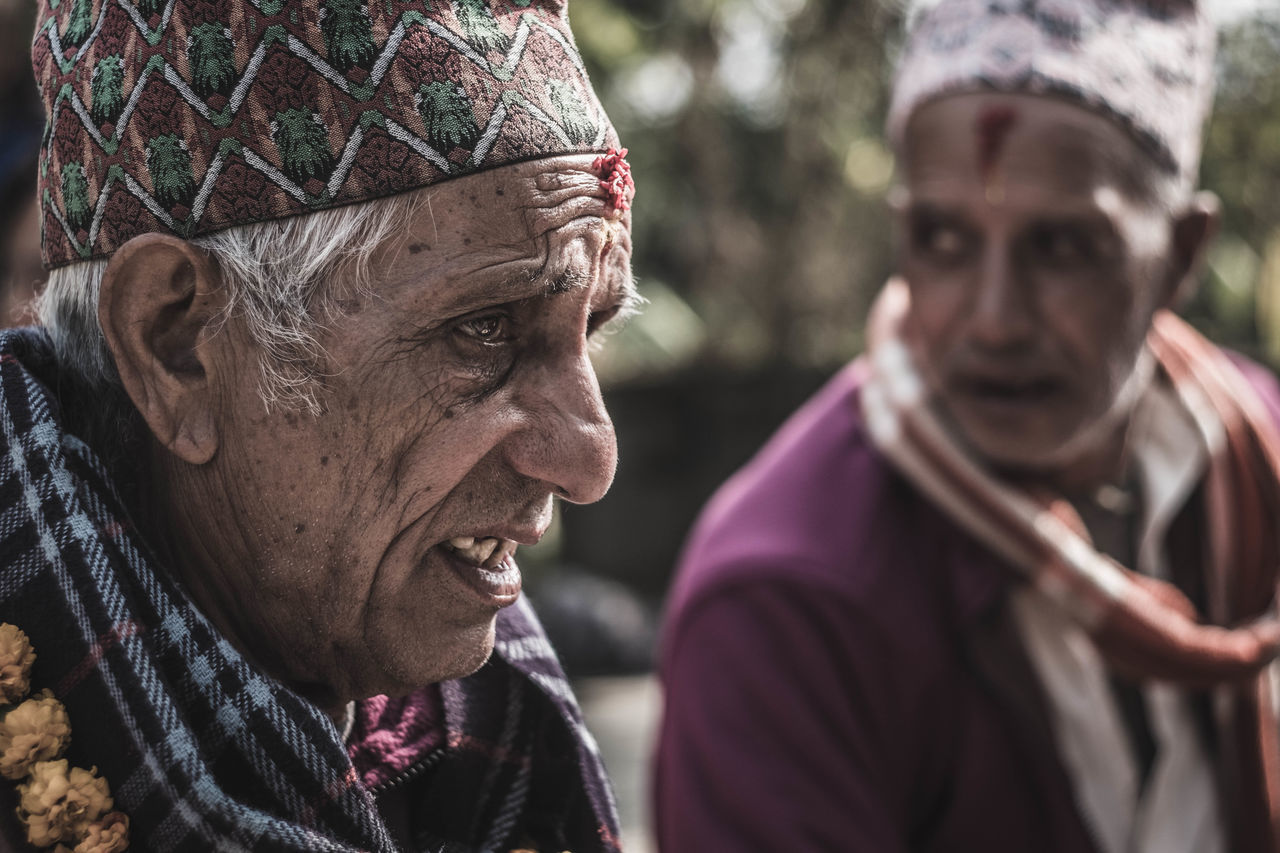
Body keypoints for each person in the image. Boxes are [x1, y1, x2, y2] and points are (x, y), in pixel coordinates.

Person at [0, 0, 636, 851]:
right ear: (176, 344)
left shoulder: (492, 730)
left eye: (589, 329)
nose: (590, 460)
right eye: (483, 329)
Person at [655, 1, 1280, 851]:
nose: (994, 320)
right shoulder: (786, 600)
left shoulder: (1259, 460)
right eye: (943, 238)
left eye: (1061, 245)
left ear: (1180, 254)